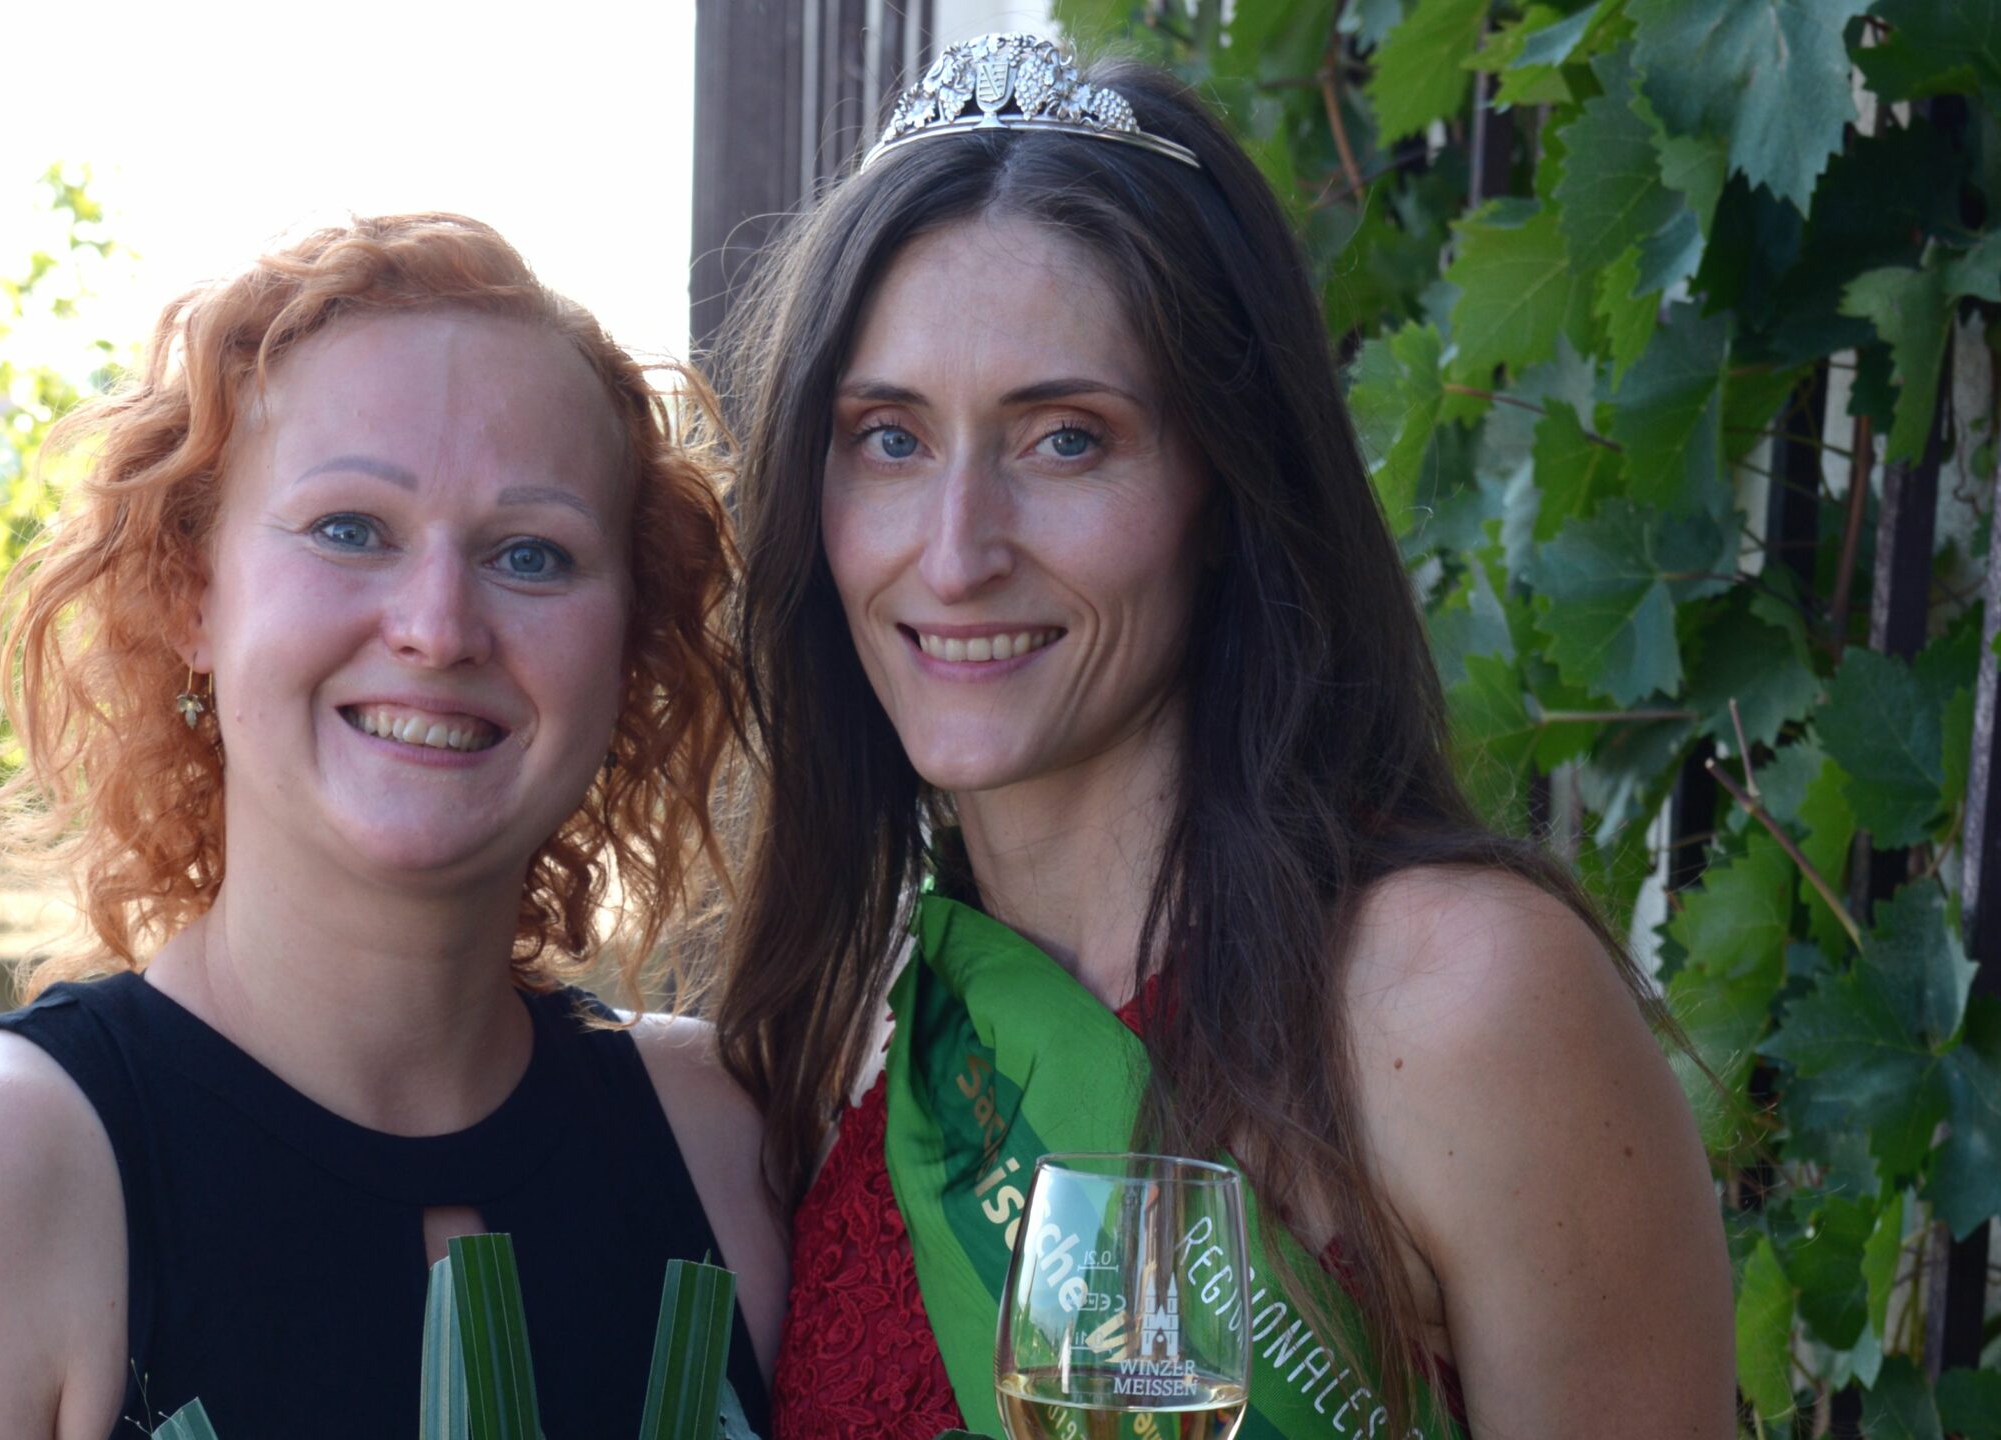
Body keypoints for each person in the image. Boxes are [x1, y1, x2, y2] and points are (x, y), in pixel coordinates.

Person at [706, 35, 1733, 1440]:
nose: (954, 556)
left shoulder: (1458, 1005)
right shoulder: (844, 1045)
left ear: (1229, 484)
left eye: (1065, 438)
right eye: (888, 438)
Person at [0, 213, 783, 1438]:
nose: (438, 625)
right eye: (350, 529)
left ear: (628, 647)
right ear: (192, 595)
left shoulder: (723, 1150)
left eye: (531, 553)